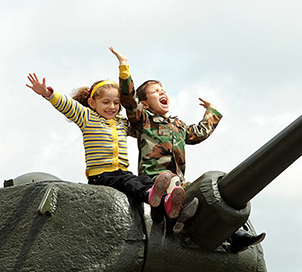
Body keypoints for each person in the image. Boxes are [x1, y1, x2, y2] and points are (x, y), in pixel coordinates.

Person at [109, 47, 265, 249]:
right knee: (174, 184)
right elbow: (129, 100)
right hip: (154, 179)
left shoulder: (178, 126)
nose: (162, 92)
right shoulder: (143, 120)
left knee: (209, 195)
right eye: (155, 91)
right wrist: (124, 66)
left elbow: (199, 133)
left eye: (163, 89)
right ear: (145, 104)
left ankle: (234, 236)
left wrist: (212, 111)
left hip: (179, 183)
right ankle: (175, 219)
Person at [25, 72, 180, 216]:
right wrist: (47, 93)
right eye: (106, 102)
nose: (111, 107)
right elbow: (66, 104)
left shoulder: (121, 123)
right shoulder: (86, 117)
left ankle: (166, 205)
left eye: (116, 103)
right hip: (101, 175)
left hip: (122, 172)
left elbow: (143, 129)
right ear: (92, 103)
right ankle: (150, 195)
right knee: (131, 184)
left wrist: (161, 124)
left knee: (143, 181)